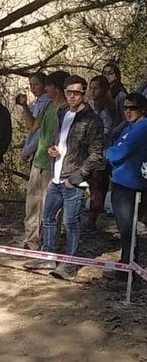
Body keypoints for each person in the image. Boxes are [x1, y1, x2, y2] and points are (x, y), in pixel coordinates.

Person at [24, 75, 104, 280]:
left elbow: (97, 154)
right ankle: (47, 255)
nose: (72, 96)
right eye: (69, 92)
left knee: (71, 222)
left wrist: (77, 177)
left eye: (77, 92)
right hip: (56, 175)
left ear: (83, 93)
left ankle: (70, 263)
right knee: (48, 217)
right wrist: (53, 149)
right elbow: (58, 139)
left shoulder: (92, 119)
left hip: (74, 179)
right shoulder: (61, 112)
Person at [103, 92, 147, 290]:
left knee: (127, 230)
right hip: (122, 181)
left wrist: (108, 153)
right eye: (126, 108)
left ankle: (127, 275)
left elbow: (119, 151)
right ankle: (125, 268)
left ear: (142, 110)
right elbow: (117, 144)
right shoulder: (130, 126)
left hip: (129, 184)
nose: (128, 111)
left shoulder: (142, 127)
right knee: (125, 230)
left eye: (133, 108)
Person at [21, 71, 69, 250]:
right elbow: (33, 126)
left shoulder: (65, 111)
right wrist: (24, 107)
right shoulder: (48, 106)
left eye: (48, 85)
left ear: (56, 88)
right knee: (32, 204)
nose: (45, 88)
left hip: (54, 165)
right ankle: (31, 240)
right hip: (38, 161)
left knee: (51, 207)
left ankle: (50, 243)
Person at [84, 75, 119, 231]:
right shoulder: (89, 106)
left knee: (97, 189)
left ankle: (92, 220)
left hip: (100, 155)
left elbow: (106, 132)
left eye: (96, 88)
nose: (93, 91)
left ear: (103, 90)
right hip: (85, 153)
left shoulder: (107, 111)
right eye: (91, 88)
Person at [15, 72, 50, 161]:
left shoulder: (46, 103)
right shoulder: (38, 102)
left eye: (36, 84)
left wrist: (26, 151)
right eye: (31, 85)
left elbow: (34, 128)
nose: (33, 88)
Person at [103, 62, 128, 133]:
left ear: (116, 75)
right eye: (105, 73)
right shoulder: (101, 93)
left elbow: (125, 119)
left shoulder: (121, 95)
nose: (107, 76)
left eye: (110, 73)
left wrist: (114, 131)